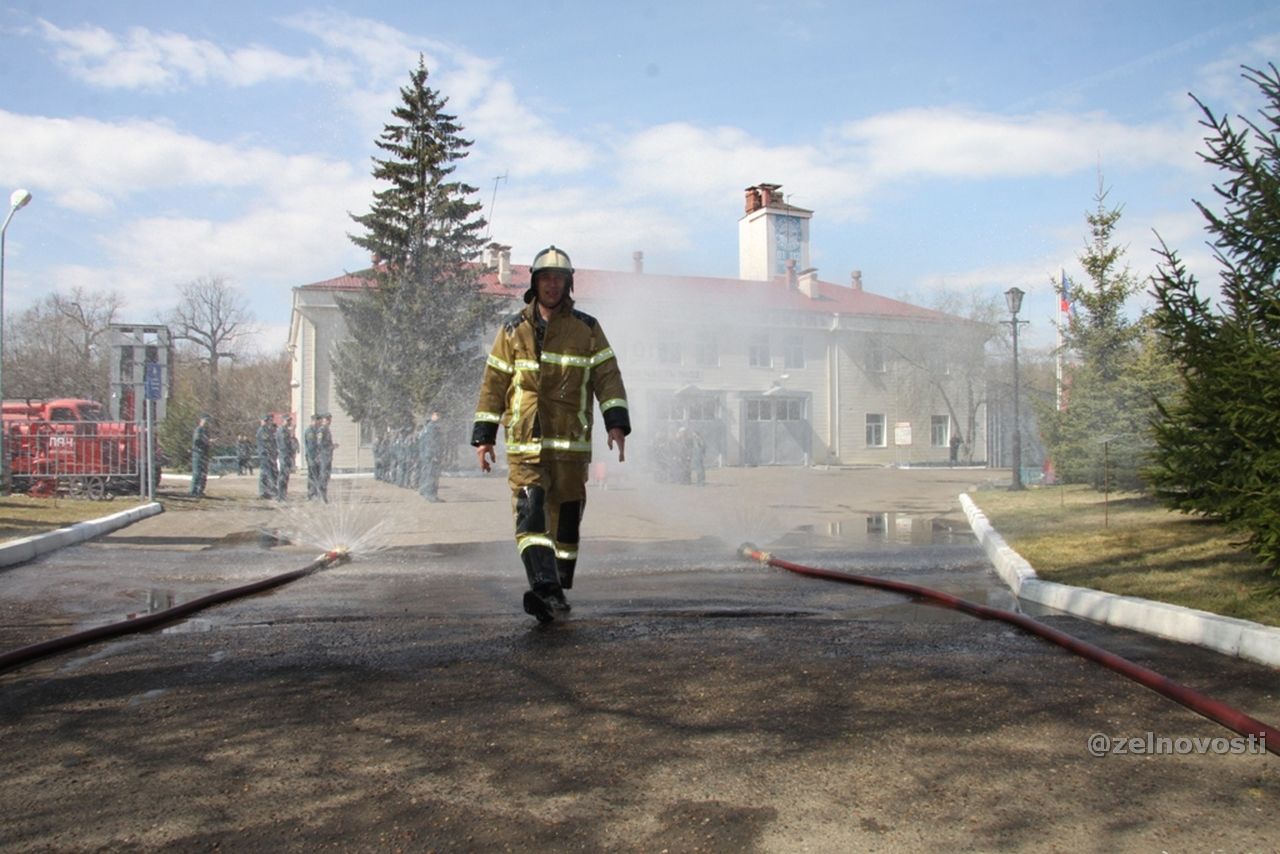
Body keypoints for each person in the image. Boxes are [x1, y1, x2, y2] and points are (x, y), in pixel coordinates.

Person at [472, 245, 630, 623]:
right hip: (526, 442)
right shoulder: (512, 330)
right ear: (534, 284)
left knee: (567, 520)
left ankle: (557, 588)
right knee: (530, 513)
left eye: (559, 279)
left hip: (570, 445)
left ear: (568, 284)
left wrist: (616, 422)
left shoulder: (587, 329)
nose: (552, 285)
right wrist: (484, 435)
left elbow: (608, 377)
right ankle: (542, 584)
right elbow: (494, 382)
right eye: (545, 278)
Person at [418, 410, 444, 502]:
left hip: (427, 455)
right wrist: (434, 455)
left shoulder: (427, 428)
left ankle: (427, 492)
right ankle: (431, 495)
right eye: (436, 415)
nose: (439, 416)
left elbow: (422, 443)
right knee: (432, 475)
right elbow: (432, 442)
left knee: (428, 474)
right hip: (431, 455)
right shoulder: (432, 427)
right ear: (432, 416)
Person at [256, 414, 278, 499]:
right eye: (265, 421)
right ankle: (265, 491)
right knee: (266, 473)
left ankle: (265, 491)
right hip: (264, 454)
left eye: (267, 421)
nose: (266, 422)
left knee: (266, 473)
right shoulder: (262, 431)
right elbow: (267, 443)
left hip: (269, 454)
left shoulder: (268, 430)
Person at [275, 415, 297, 501]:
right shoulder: (281, 431)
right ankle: (280, 495)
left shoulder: (286, 431)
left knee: (286, 476)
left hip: (287, 454)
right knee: (283, 475)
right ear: (283, 421)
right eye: (287, 421)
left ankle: (283, 494)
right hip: (284, 454)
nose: (289, 423)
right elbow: (284, 444)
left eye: (289, 421)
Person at [189, 414, 211, 497]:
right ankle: (193, 491)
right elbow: (197, 441)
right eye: (206, 420)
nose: (207, 423)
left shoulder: (205, 431)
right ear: (201, 420)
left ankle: (200, 490)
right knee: (197, 473)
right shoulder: (199, 430)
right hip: (198, 454)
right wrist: (207, 441)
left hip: (204, 454)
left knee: (203, 474)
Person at [315, 412, 335, 502]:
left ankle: (323, 495)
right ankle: (321, 495)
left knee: (326, 476)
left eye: (329, 419)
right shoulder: (321, 430)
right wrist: (330, 447)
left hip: (328, 456)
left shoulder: (327, 430)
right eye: (327, 419)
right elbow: (319, 444)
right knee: (323, 476)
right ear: (323, 420)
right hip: (323, 456)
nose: (329, 421)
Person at [304, 414, 322, 500]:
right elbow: (311, 446)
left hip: (316, 456)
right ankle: (311, 494)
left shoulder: (317, 430)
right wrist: (315, 457)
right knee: (313, 475)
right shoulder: (310, 431)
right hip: (312, 456)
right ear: (313, 421)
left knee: (316, 475)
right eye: (317, 420)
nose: (319, 422)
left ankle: (315, 493)